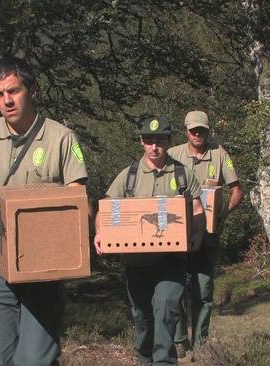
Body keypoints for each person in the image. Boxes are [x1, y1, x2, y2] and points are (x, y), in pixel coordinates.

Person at [0, 56, 88, 365]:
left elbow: (79, 199)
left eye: (14, 91)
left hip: (45, 261)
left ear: (31, 90)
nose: (7, 101)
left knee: (36, 358)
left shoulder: (61, 138)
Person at [94, 116, 205, 366]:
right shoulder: (129, 176)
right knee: (143, 317)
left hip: (172, 260)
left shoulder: (182, 174)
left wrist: (197, 234)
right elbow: (106, 208)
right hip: (136, 262)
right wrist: (101, 232)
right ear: (141, 142)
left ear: (168, 141)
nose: (154, 147)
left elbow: (197, 209)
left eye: (160, 141)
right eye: (148, 141)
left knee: (166, 308)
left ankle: (164, 361)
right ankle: (144, 357)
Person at [167, 110, 244, 357]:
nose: (197, 134)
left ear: (208, 130)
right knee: (176, 287)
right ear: (186, 131)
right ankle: (179, 340)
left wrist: (223, 215)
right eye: (193, 130)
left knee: (203, 290)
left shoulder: (220, 154)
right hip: (178, 234)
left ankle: (201, 342)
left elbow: (237, 191)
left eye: (201, 129)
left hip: (208, 235)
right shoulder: (173, 155)